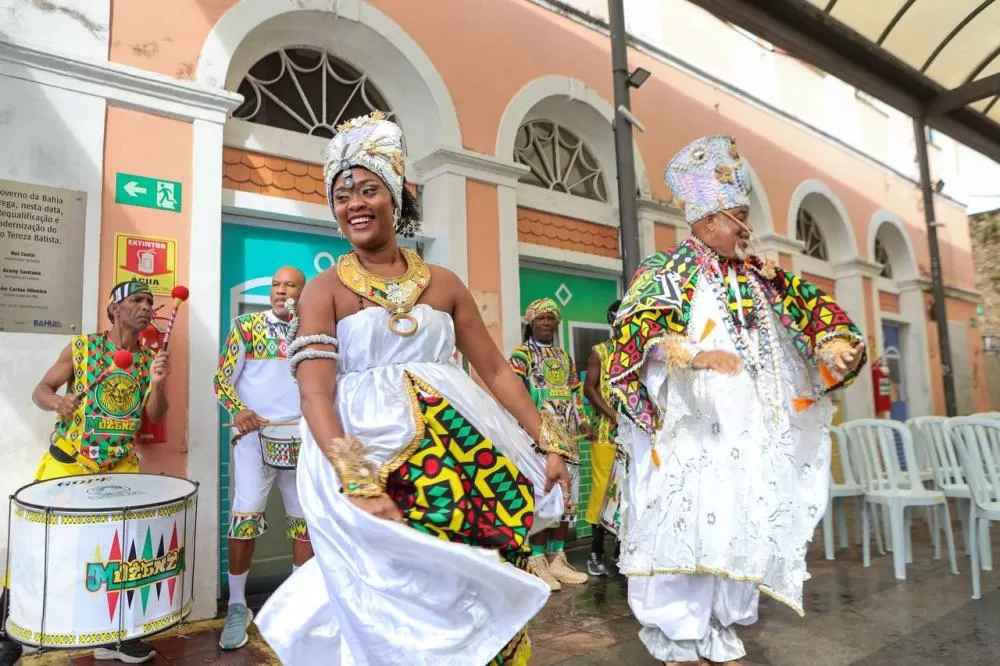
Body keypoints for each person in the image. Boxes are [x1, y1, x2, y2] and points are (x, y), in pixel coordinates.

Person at [254, 111, 574, 665]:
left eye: (368, 190)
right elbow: (314, 395)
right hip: (369, 459)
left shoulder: (444, 283)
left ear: (398, 197)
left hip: (461, 453)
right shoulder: (324, 291)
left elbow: (496, 370)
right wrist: (357, 478)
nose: (354, 203)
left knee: (477, 570)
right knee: (396, 597)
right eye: (342, 195)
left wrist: (550, 437)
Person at [605, 134, 866, 666]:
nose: (747, 228)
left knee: (736, 521)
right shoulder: (666, 272)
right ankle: (678, 633)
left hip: (747, 435)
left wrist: (836, 347)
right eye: (737, 216)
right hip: (689, 433)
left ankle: (721, 625)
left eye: (746, 215)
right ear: (705, 222)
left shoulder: (761, 276)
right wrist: (691, 356)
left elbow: (815, 311)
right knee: (687, 525)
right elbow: (632, 338)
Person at [0, 280, 171, 665]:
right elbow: (41, 389)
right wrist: (56, 402)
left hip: (120, 468)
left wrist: (159, 384)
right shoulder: (82, 347)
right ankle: (7, 633)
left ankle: (114, 637)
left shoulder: (149, 359)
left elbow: (155, 414)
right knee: (35, 546)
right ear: (113, 309)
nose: (146, 307)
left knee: (118, 553)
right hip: (69, 460)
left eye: (149, 302)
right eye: (137, 301)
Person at [213, 266, 313, 650]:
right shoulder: (247, 326)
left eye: (289, 285)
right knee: (246, 514)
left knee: (303, 520)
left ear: (303, 293)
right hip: (254, 437)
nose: (280, 290)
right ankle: (237, 605)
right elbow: (222, 379)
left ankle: (296, 603)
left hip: (302, 437)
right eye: (275, 284)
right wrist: (238, 410)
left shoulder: (315, 330)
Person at [508, 299, 591, 590]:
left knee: (568, 501)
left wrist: (582, 420)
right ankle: (537, 560)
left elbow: (574, 392)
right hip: (537, 439)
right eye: (541, 318)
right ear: (530, 322)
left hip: (568, 437)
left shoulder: (564, 356)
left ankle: (557, 558)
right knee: (543, 498)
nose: (546, 323)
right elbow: (513, 393)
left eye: (551, 318)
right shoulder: (521, 355)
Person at [582, 299, 622, 577]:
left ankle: (621, 554)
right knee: (601, 492)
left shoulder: (635, 353)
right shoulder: (601, 351)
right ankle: (595, 553)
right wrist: (612, 414)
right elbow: (589, 389)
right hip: (607, 434)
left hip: (632, 437)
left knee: (625, 495)